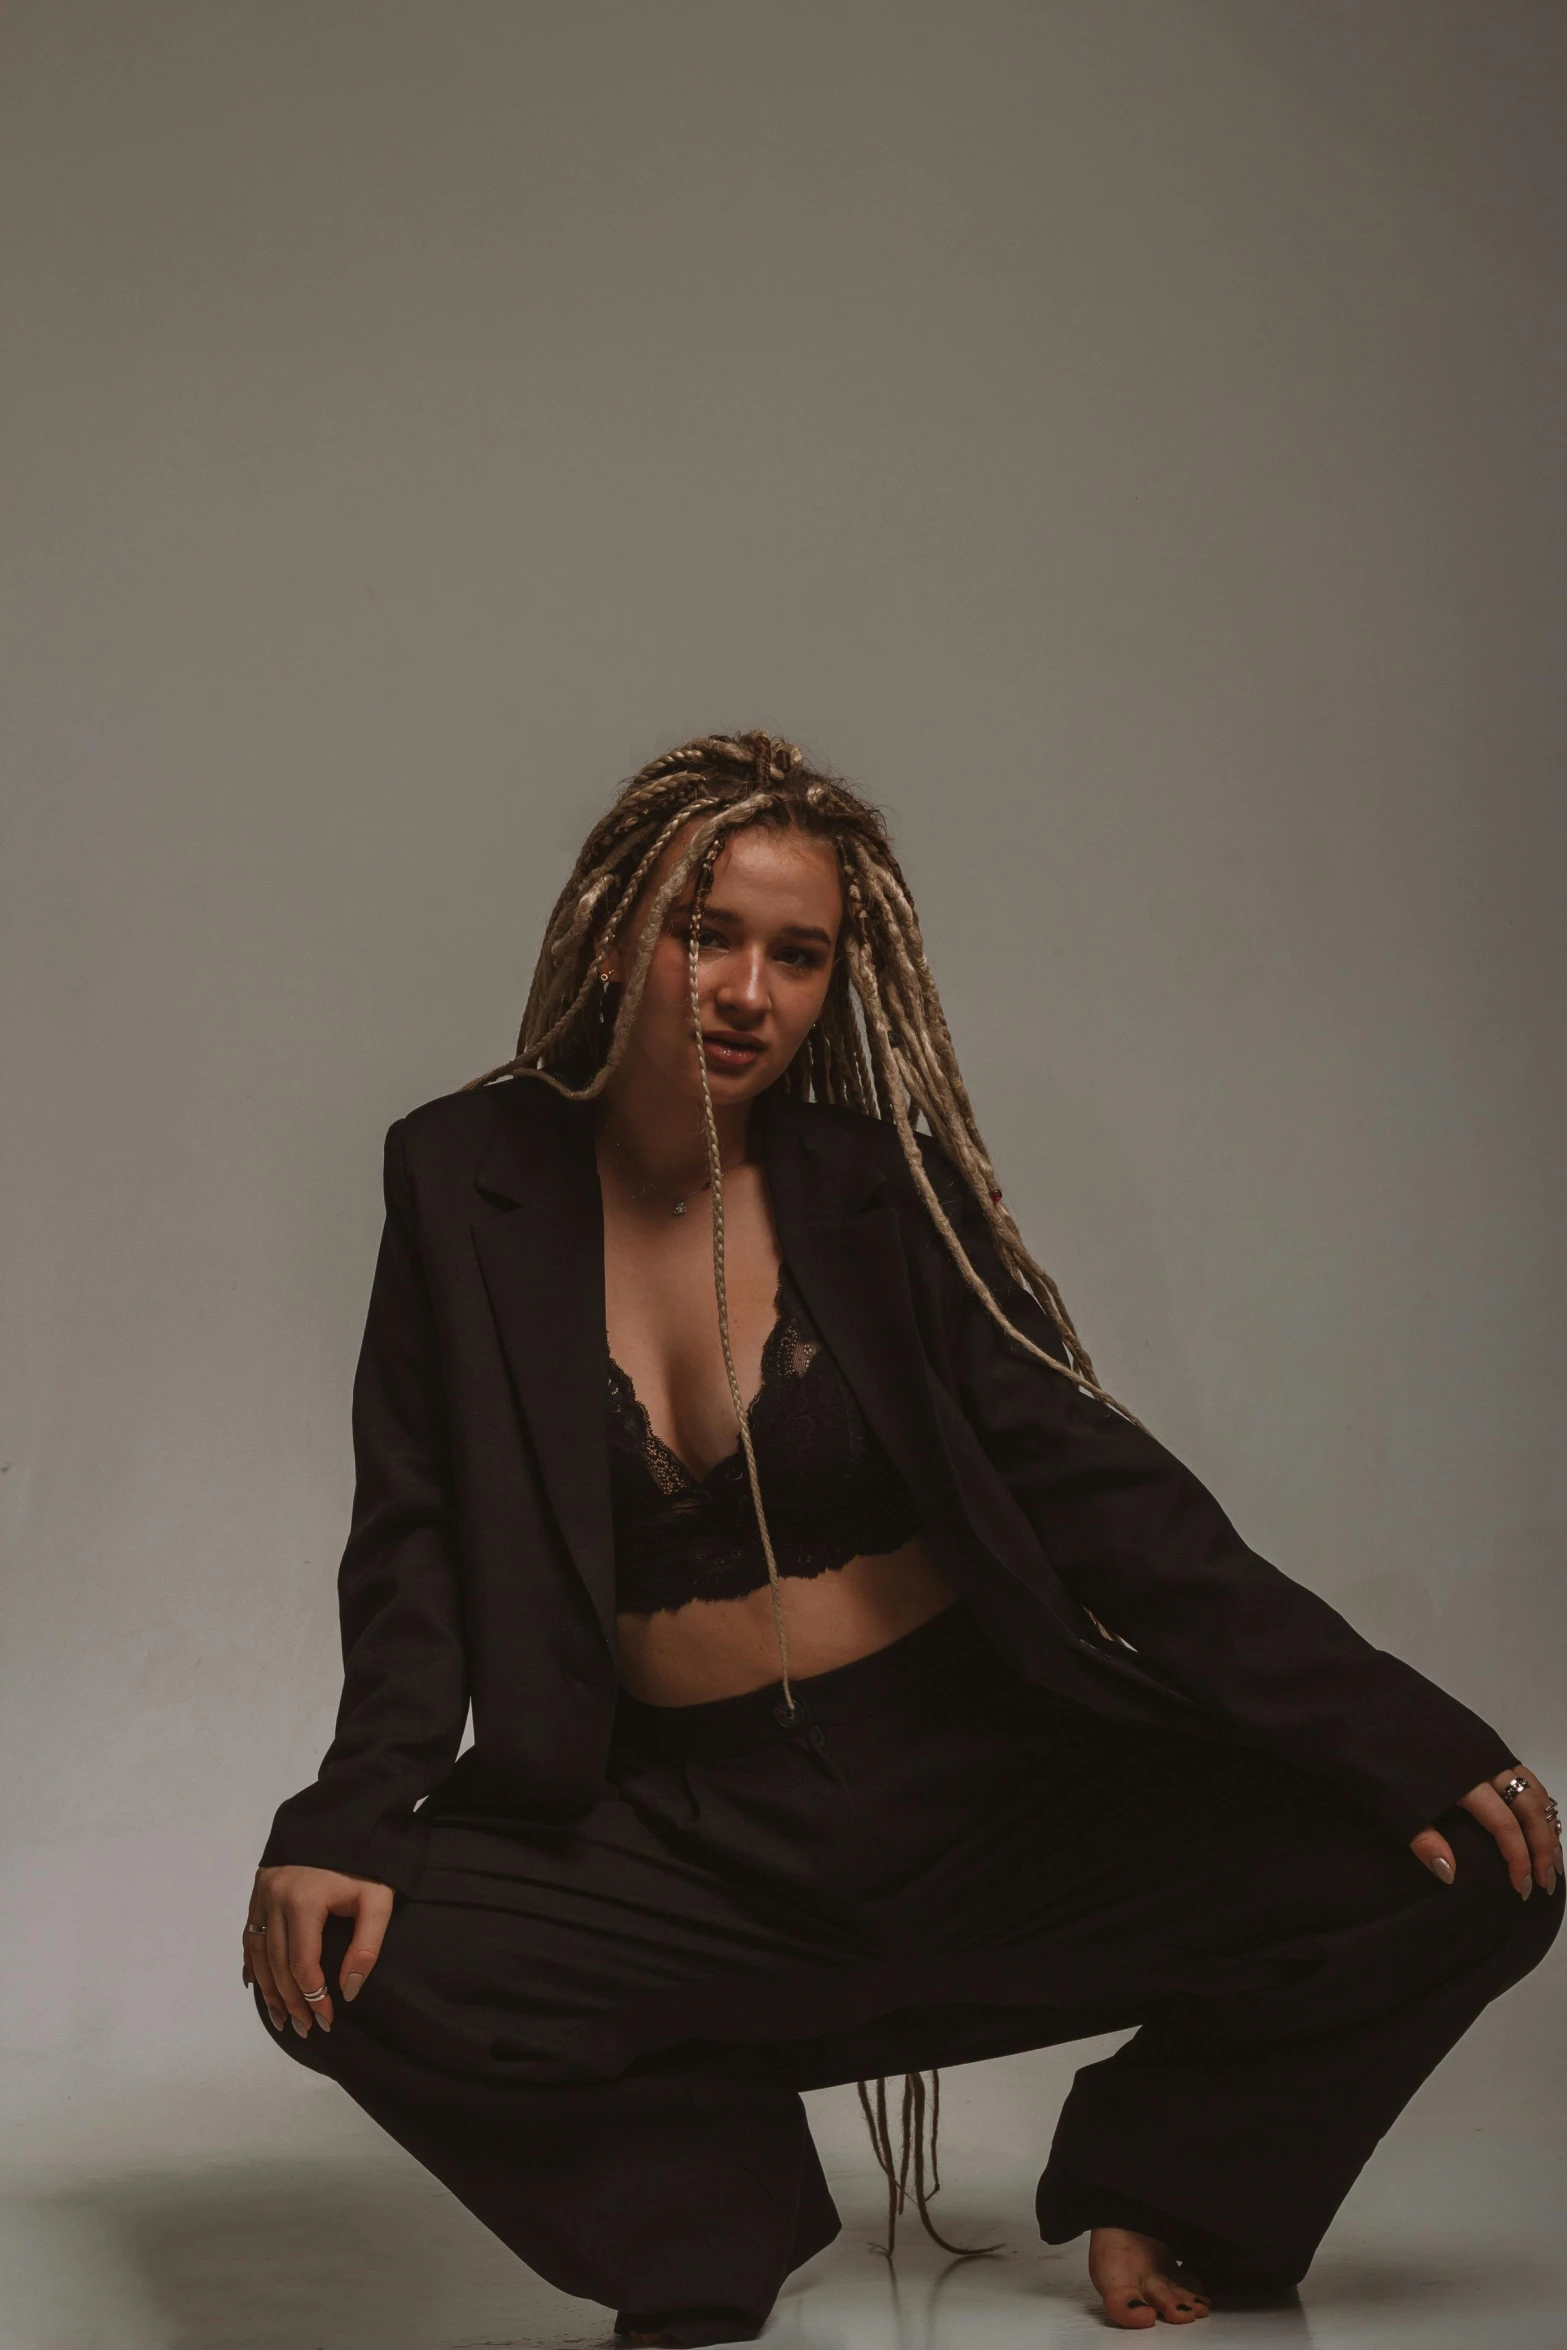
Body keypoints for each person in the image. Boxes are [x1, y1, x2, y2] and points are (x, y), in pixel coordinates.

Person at [246, 731, 1560, 2345]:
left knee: (1472, 1871)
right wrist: (353, 1804)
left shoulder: (877, 1189)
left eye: (798, 955)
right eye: (702, 930)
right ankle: (707, 2222)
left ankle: (1170, 2175)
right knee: (340, 1958)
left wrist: (1398, 1733)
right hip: (684, 1828)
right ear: (611, 928)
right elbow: (418, 1530)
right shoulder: (460, 1175)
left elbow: (1103, 1493)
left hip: (989, 1783)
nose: (746, 988)